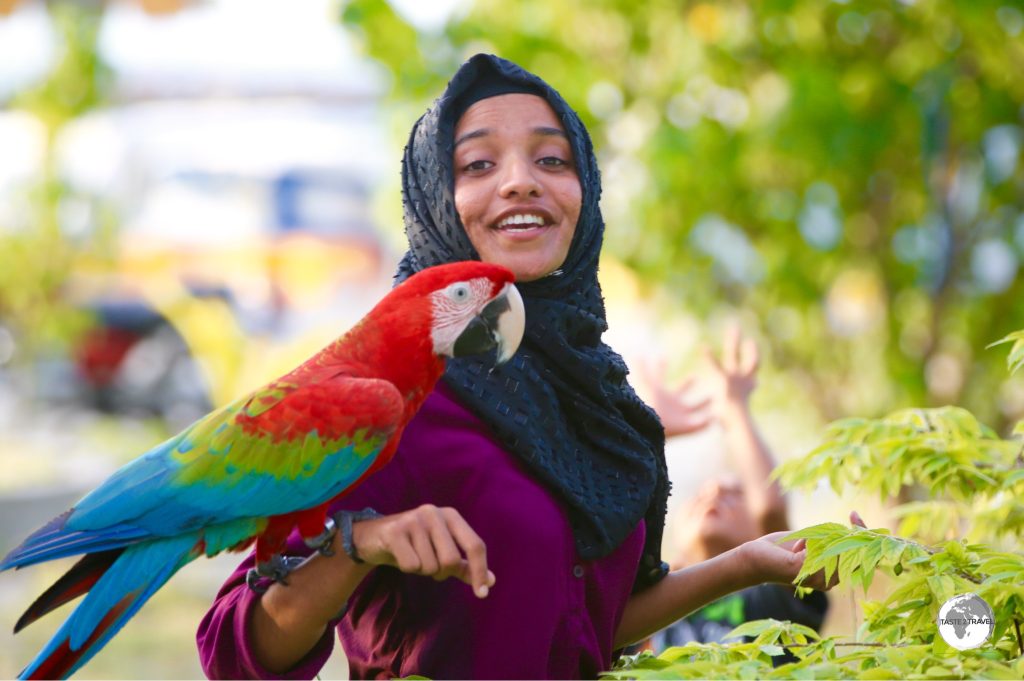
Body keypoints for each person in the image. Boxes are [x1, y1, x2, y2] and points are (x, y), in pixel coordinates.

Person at [197, 53, 836, 680]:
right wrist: (361, 544)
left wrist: (748, 563)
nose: (521, 181)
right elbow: (231, 651)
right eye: (478, 163)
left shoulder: (601, 400)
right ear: (433, 202)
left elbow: (584, 625)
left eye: (552, 159)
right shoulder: (384, 398)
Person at [635, 328, 829, 656]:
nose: (714, 494)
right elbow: (617, 517)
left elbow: (770, 511)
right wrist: (648, 434)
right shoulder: (643, 602)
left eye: (734, 494)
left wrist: (735, 409)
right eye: (702, 494)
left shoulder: (768, 598)